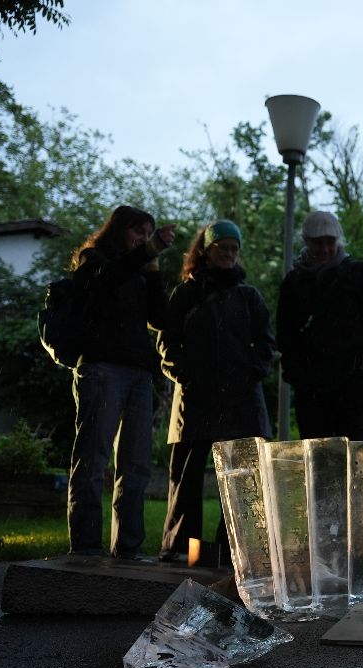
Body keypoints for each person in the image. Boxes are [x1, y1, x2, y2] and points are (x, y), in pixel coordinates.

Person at [156, 220, 274, 564]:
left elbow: (266, 343)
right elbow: (167, 342)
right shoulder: (185, 293)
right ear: (205, 251)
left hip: (241, 401)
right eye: (222, 247)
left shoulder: (248, 296)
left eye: (233, 249)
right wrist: (186, 376)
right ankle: (183, 551)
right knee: (187, 480)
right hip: (195, 400)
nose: (228, 254)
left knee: (242, 480)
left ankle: (233, 554)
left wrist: (251, 372)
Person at [67, 205, 174, 559]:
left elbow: (160, 320)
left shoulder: (141, 269)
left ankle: (127, 548)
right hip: (101, 371)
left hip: (140, 374)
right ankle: (85, 548)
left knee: (136, 464)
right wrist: (146, 254)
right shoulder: (93, 259)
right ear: (118, 230)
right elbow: (105, 279)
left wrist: (154, 269)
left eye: (148, 234)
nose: (143, 239)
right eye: (137, 232)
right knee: (94, 459)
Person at [277, 211, 363, 441]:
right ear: (307, 242)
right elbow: (285, 333)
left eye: (330, 242)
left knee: (353, 456)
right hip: (311, 389)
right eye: (317, 243)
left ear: (338, 242)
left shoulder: (358, 274)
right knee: (317, 456)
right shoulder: (293, 282)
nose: (325, 249)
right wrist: (297, 373)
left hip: (353, 385)